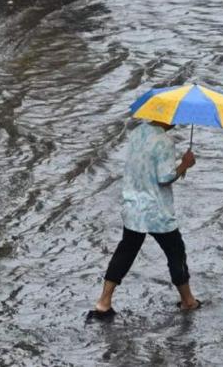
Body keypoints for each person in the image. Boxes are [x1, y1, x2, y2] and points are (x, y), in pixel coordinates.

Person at [89, 120, 201, 320]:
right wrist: (185, 164)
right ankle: (188, 301)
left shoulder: (137, 132)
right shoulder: (164, 140)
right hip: (156, 211)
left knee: (125, 251)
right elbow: (164, 177)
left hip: (133, 206)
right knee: (176, 252)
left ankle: (103, 303)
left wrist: (181, 166)